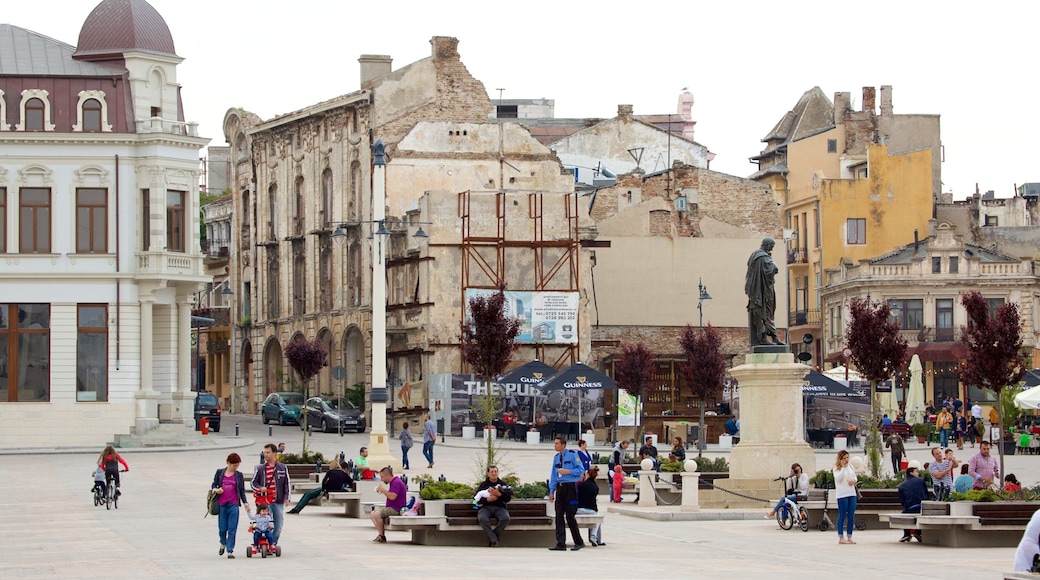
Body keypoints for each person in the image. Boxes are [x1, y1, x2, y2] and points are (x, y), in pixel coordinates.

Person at [548, 436, 586, 551]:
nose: (555, 446)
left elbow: (581, 470)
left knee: (570, 516)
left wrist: (568, 471)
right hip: (560, 489)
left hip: (570, 488)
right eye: (554, 443)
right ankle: (560, 543)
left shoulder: (573, 455)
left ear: (563, 445)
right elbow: (553, 475)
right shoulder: (556, 458)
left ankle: (578, 541)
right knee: (559, 516)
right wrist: (551, 491)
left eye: (557, 443)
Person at [251, 443, 290, 548]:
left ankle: (273, 543)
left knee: (278, 525)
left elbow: (287, 484)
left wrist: (287, 498)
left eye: (268, 452)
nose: (265, 455)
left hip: (278, 501)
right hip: (265, 502)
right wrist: (260, 488)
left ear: (274, 453)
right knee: (267, 524)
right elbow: (252, 483)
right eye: (264, 452)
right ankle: (266, 543)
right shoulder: (260, 469)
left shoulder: (282, 467)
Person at [745, 237, 782, 346]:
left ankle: (774, 337)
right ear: (767, 245)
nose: (772, 249)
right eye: (772, 246)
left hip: (758, 289)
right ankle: (765, 338)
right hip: (763, 290)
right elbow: (774, 269)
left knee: (765, 312)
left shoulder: (754, 255)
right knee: (766, 312)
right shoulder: (763, 257)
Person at [211, 452, 248, 559]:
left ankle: (230, 550)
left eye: (237, 465)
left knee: (232, 528)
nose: (235, 467)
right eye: (233, 465)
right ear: (228, 463)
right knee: (222, 528)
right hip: (222, 504)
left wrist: (245, 503)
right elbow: (214, 484)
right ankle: (223, 542)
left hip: (234, 504)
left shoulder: (238, 475)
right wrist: (216, 490)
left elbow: (241, 490)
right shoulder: (220, 472)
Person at [288, 459, 354, 514]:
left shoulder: (330, 472)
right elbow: (351, 482)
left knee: (308, 494)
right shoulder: (344, 474)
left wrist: (323, 489)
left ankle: (296, 509)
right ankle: (296, 509)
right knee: (308, 494)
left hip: (327, 489)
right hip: (333, 489)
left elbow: (324, 481)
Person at [475, 465, 512, 547]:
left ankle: (492, 538)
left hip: (500, 508)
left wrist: (499, 495)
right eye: (492, 472)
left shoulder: (502, 484)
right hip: (485, 508)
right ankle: (494, 540)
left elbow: (507, 499)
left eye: (495, 471)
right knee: (482, 518)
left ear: (498, 473)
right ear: (488, 474)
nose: (494, 473)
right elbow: (476, 499)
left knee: (506, 518)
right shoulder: (483, 485)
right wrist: (487, 500)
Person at [369, 466, 408, 543]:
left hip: (396, 508)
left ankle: (382, 536)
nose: (382, 479)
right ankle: (381, 535)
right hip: (391, 507)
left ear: (387, 475)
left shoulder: (396, 482)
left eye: (382, 477)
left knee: (376, 514)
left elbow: (392, 497)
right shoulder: (393, 482)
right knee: (372, 514)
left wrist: (383, 490)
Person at [897, 466, 928, 542]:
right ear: (911, 473)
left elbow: (902, 500)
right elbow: (926, 494)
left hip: (909, 508)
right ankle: (918, 532)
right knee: (920, 513)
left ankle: (907, 534)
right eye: (916, 472)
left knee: (904, 513)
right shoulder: (921, 481)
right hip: (921, 507)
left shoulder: (902, 485)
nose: (918, 473)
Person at [833, 449, 858, 544]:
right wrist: (843, 468)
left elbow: (855, 477)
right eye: (844, 458)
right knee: (842, 515)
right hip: (842, 494)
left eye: (847, 457)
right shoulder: (836, 468)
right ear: (840, 459)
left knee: (851, 515)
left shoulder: (850, 466)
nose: (846, 460)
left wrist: (854, 481)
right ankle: (841, 537)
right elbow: (838, 479)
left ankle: (849, 536)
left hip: (851, 493)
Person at [576, 466, 603, 546]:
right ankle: (593, 535)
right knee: (598, 518)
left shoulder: (581, 485)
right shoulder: (596, 487)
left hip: (579, 510)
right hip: (592, 511)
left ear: (587, 474)